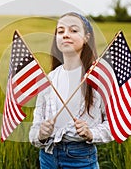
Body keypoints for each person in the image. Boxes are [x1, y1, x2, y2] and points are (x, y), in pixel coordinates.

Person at [29, 12, 114, 168]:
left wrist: (91, 133)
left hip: (81, 159)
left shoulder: (97, 78)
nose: (65, 35)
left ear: (86, 37)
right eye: (60, 31)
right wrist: (41, 134)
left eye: (73, 30)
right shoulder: (49, 79)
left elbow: (113, 125)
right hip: (47, 159)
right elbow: (34, 130)